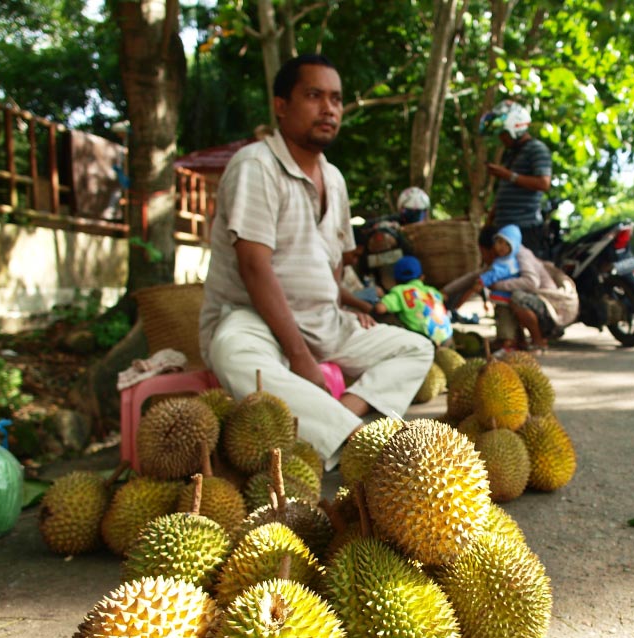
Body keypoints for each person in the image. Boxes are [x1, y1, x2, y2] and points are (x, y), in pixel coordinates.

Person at [199, 53, 434, 469]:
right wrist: (303, 360)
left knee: (416, 346)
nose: (329, 108)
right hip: (256, 320)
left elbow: (326, 270)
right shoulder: (256, 166)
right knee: (232, 352)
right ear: (281, 105)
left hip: (324, 321)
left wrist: (354, 306)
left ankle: (341, 413)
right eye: (314, 95)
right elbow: (255, 269)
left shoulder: (336, 180)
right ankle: (352, 438)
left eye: (337, 99)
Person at [480, 100, 553, 262]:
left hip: (524, 228)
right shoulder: (512, 153)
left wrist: (508, 175)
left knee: (524, 274)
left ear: (516, 128)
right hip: (503, 227)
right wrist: (490, 220)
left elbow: (544, 183)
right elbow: (504, 191)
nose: (501, 138)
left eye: (503, 133)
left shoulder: (536, 149)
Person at [492, 250, 578, 354]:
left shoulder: (522, 256)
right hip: (542, 305)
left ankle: (539, 343)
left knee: (517, 298)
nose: (499, 246)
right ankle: (520, 341)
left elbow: (531, 282)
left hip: (553, 309)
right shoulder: (504, 259)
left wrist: (496, 285)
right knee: (507, 297)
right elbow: (478, 276)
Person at [373, 255, 453, 346]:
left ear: (395, 280)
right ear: (422, 277)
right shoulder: (431, 291)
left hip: (425, 341)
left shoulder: (399, 291)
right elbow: (444, 297)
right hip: (447, 337)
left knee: (385, 315)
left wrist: (383, 298)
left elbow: (380, 308)